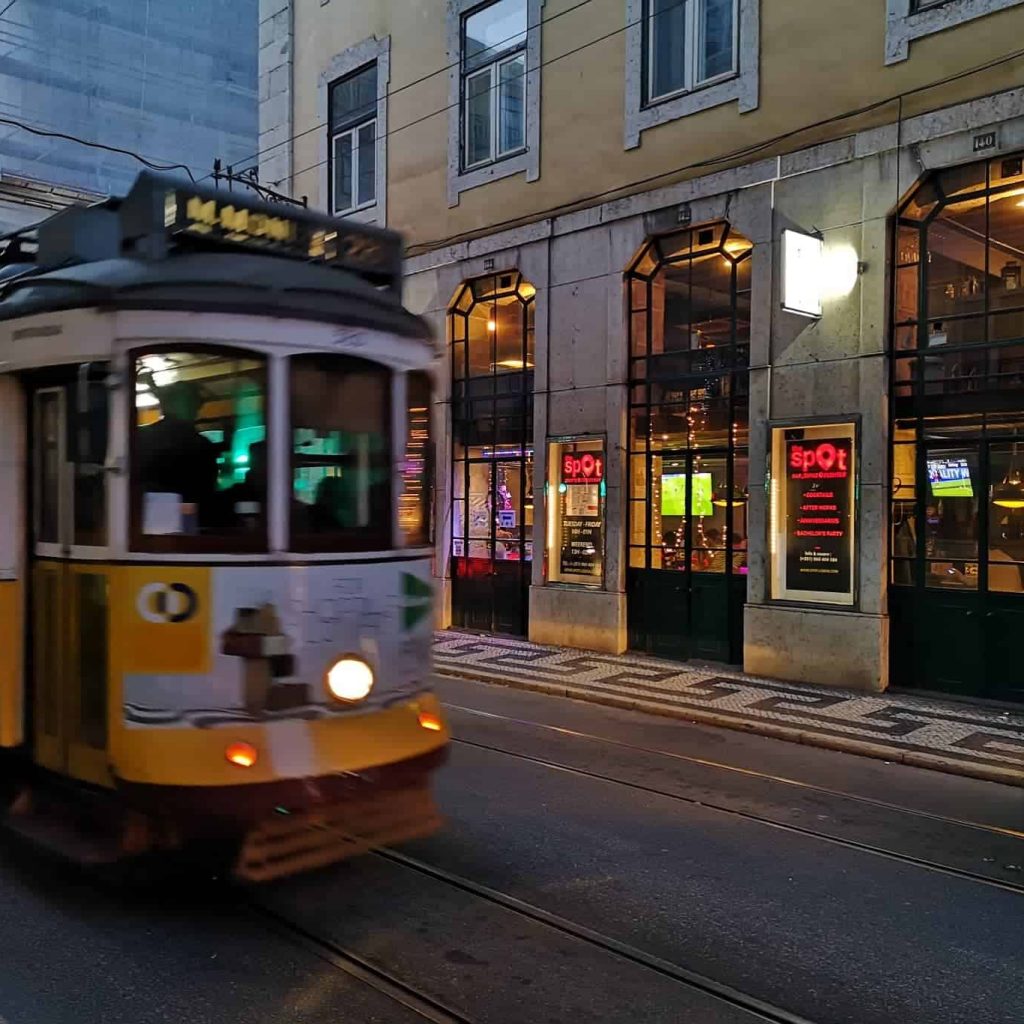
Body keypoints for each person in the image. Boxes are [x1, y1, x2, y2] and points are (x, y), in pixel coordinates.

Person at [137, 379, 218, 530]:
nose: (196, 409)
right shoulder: (201, 444)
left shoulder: (142, 436)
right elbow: (207, 493)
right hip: (187, 523)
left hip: (144, 523)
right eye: (192, 403)